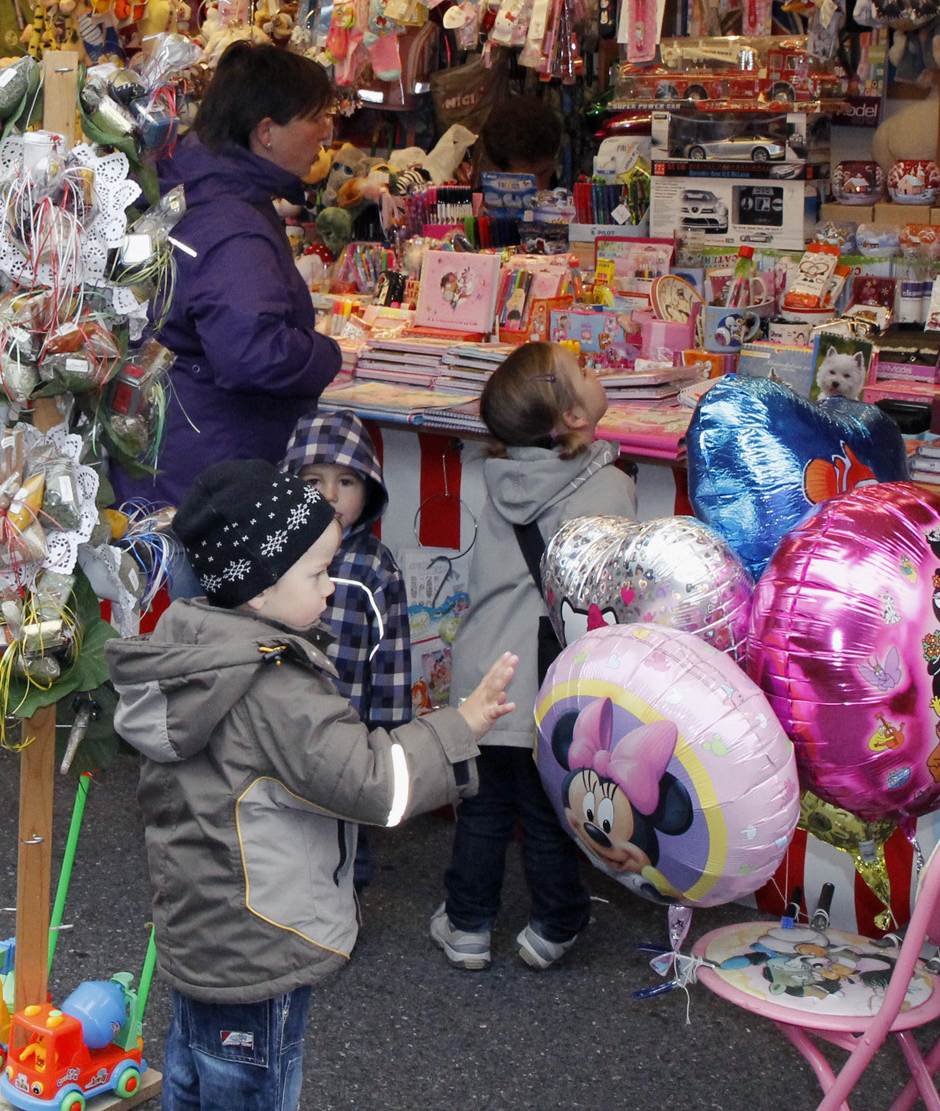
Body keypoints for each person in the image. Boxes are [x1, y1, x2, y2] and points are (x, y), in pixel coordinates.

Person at [109, 461, 518, 1111]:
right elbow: (373, 782)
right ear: (259, 590)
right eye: (318, 573)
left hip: (203, 931)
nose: (331, 587)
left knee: (194, 1073)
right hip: (261, 943)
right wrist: (458, 728)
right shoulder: (275, 690)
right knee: (250, 1090)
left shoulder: (191, 645)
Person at [434, 341, 635, 973]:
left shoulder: (500, 480)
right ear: (572, 416)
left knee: (483, 810)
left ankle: (467, 925)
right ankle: (553, 924)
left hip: (483, 677)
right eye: (585, 371)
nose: (594, 371)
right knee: (549, 813)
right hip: (550, 680)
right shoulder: (608, 486)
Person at [145, 43, 341, 543]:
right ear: (266, 131)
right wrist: (325, 353)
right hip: (212, 466)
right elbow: (251, 354)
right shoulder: (232, 223)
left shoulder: (199, 184)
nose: (327, 132)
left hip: (179, 445)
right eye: (316, 117)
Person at [281, 411, 410, 890]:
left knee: (344, 833)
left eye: (346, 481)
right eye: (313, 481)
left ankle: (343, 906)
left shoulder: (374, 568)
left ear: (369, 490)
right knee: (282, 823)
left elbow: (391, 655)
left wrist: (390, 735)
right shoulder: (275, 553)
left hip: (348, 730)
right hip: (283, 721)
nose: (330, 495)